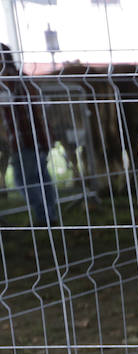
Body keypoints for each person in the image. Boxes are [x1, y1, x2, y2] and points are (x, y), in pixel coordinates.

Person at [1, 43, 58, 226]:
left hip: (24, 139)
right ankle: (50, 216)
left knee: (23, 180)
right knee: (42, 177)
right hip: (39, 136)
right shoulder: (21, 76)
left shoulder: (5, 78)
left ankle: (43, 217)